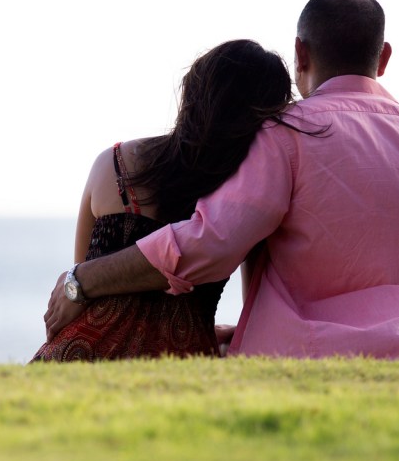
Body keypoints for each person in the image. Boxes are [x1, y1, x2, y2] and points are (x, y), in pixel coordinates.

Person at [45, 0, 399, 360]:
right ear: (384, 57)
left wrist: (81, 280)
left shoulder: (288, 135)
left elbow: (206, 244)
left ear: (300, 54)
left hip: (331, 349)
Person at [32, 39, 298, 361]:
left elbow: (78, 285)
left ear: (193, 93)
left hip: (77, 356)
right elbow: (254, 313)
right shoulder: (246, 202)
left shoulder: (115, 164)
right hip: (182, 362)